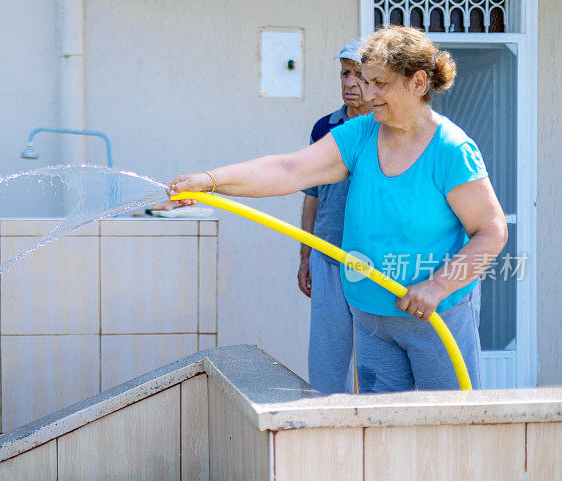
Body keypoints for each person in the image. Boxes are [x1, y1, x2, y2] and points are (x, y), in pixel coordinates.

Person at [169, 26, 507, 392]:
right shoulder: (360, 134)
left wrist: (438, 285)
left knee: (443, 433)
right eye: (367, 80)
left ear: (419, 82)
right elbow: (289, 170)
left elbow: (491, 232)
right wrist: (210, 180)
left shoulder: (451, 150)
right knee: (381, 433)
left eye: (380, 84)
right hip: (373, 318)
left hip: (438, 317)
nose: (369, 93)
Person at [298, 40, 371, 394]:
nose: (350, 83)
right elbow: (312, 195)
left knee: (376, 361)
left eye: (360, 74)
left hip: (376, 262)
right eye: (345, 73)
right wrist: (305, 256)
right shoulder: (324, 128)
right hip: (327, 256)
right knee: (328, 359)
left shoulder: (386, 128)